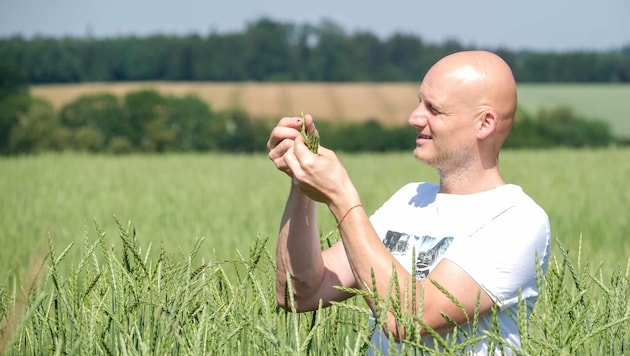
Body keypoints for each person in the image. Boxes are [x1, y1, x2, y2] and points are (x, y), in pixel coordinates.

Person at [266, 50, 551, 354]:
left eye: (434, 109)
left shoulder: (516, 220)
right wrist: (303, 180)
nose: (414, 118)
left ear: (485, 123)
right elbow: (299, 292)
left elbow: (408, 319)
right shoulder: (409, 200)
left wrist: (341, 198)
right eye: (419, 102)